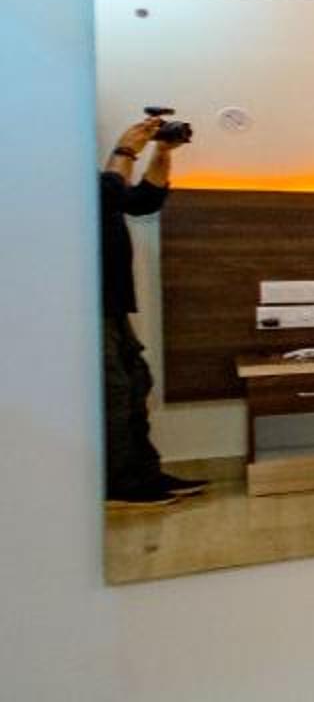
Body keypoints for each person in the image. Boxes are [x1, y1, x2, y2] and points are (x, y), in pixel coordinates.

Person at [102, 117, 207, 509]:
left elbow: (145, 200)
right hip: (86, 309)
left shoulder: (105, 189)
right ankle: (121, 484)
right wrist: (125, 148)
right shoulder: (73, 190)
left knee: (134, 385)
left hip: (114, 304)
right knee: (113, 392)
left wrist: (162, 151)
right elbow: (110, 193)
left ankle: (144, 473)